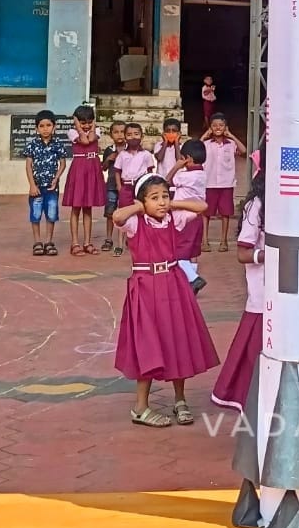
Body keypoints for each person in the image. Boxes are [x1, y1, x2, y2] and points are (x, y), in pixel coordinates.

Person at [113, 174, 218, 427]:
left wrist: (174, 204)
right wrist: (139, 207)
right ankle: (141, 407)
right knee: (148, 343)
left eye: (164, 196)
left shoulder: (173, 218)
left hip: (173, 284)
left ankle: (180, 400)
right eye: (154, 198)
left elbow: (202, 206)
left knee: (177, 339)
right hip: (146, 287)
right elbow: (117, 217)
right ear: (143, 201)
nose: (161, 202)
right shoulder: (136, 223)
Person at [211, 151, 265, 412]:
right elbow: (243, 253)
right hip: (263, 292)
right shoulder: (256, 205)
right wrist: (267, 255)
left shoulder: (292, 202)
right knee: (255, 353)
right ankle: (248, 400)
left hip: (291, 293)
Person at [64, 104, 106, 255]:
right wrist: (78, 126)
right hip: (79, 170)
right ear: (76, 121)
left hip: (92, 169)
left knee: (88, 208)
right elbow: (85, 141)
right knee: (76, 207)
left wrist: (92, 126)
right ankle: (75, 243)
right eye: (83, 122)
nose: (87, 125)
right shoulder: (72, 132)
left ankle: (87, 242)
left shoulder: (96, 131)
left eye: (89, 122)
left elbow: (92, 138)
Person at [202, 111, 246, 251]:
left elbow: (243, 150)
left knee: (225, 213)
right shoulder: (206, 144)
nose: (218, 128)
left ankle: (224, 241)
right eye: (214, 125)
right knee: (206, 213)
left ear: (226, 127)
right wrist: (205, 135)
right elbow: (195, 147)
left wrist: (231, 135)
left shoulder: (231, 144)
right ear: (210, 127)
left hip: (226, 183)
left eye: (221, 125)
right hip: (209, 183)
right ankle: (205, 241)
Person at [25, 110, 66, 257]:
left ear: (54, 127)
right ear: (36, 128)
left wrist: (56, 178)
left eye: (48, 125)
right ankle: (37, 242)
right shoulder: (32, 145)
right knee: (35, 214)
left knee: (51, 213)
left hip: (51, 187)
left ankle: (49, 242)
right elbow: (28, 165)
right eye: (41, 126)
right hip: (36, 187)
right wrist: (32, 184)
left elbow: (62, 164)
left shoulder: (58, 145)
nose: (45, 129)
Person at [170, 138, 207, 294]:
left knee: (179, 253)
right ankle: (190, 286)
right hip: (197, 217)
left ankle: (193, 278)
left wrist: (176, 166)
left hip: (184, 218)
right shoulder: (202, 174)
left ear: (188, 159)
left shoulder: (184, 176)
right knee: (191, 252)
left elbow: (167, 181)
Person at [114, 121, 155, 209]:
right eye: (129, 135)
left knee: (141, 209)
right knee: (125, 210)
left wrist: (148, 186)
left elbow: (150, 172)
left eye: (136, 134)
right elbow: (117, 171)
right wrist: (119, 187)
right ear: (125, 137)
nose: (133, 137)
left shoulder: (146, 154)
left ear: (142, 136)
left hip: (141, 186)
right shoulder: (122, 155)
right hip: (126, 187)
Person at [101, 119, 127, 251]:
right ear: (111, 135)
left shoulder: (130, 150)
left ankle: (125, 239)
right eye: (116, 132)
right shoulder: (109, 150)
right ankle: (108, 238)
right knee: (110, 213)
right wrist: (108, 159)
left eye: (122, 132)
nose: (120, 135)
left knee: (125, 213)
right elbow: (104, 168)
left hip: (126, 186)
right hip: (111, 185)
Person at [153, 117, 184, 181]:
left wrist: (176, 142)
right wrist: (165, 142)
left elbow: (179, 160)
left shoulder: (183, 146)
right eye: (168, 131)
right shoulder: (159, 145)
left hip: (177, 180)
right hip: (161, 179)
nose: (171, 133)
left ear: (179, 133)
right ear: (163, 133)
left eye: (174, 131)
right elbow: (159, 158)